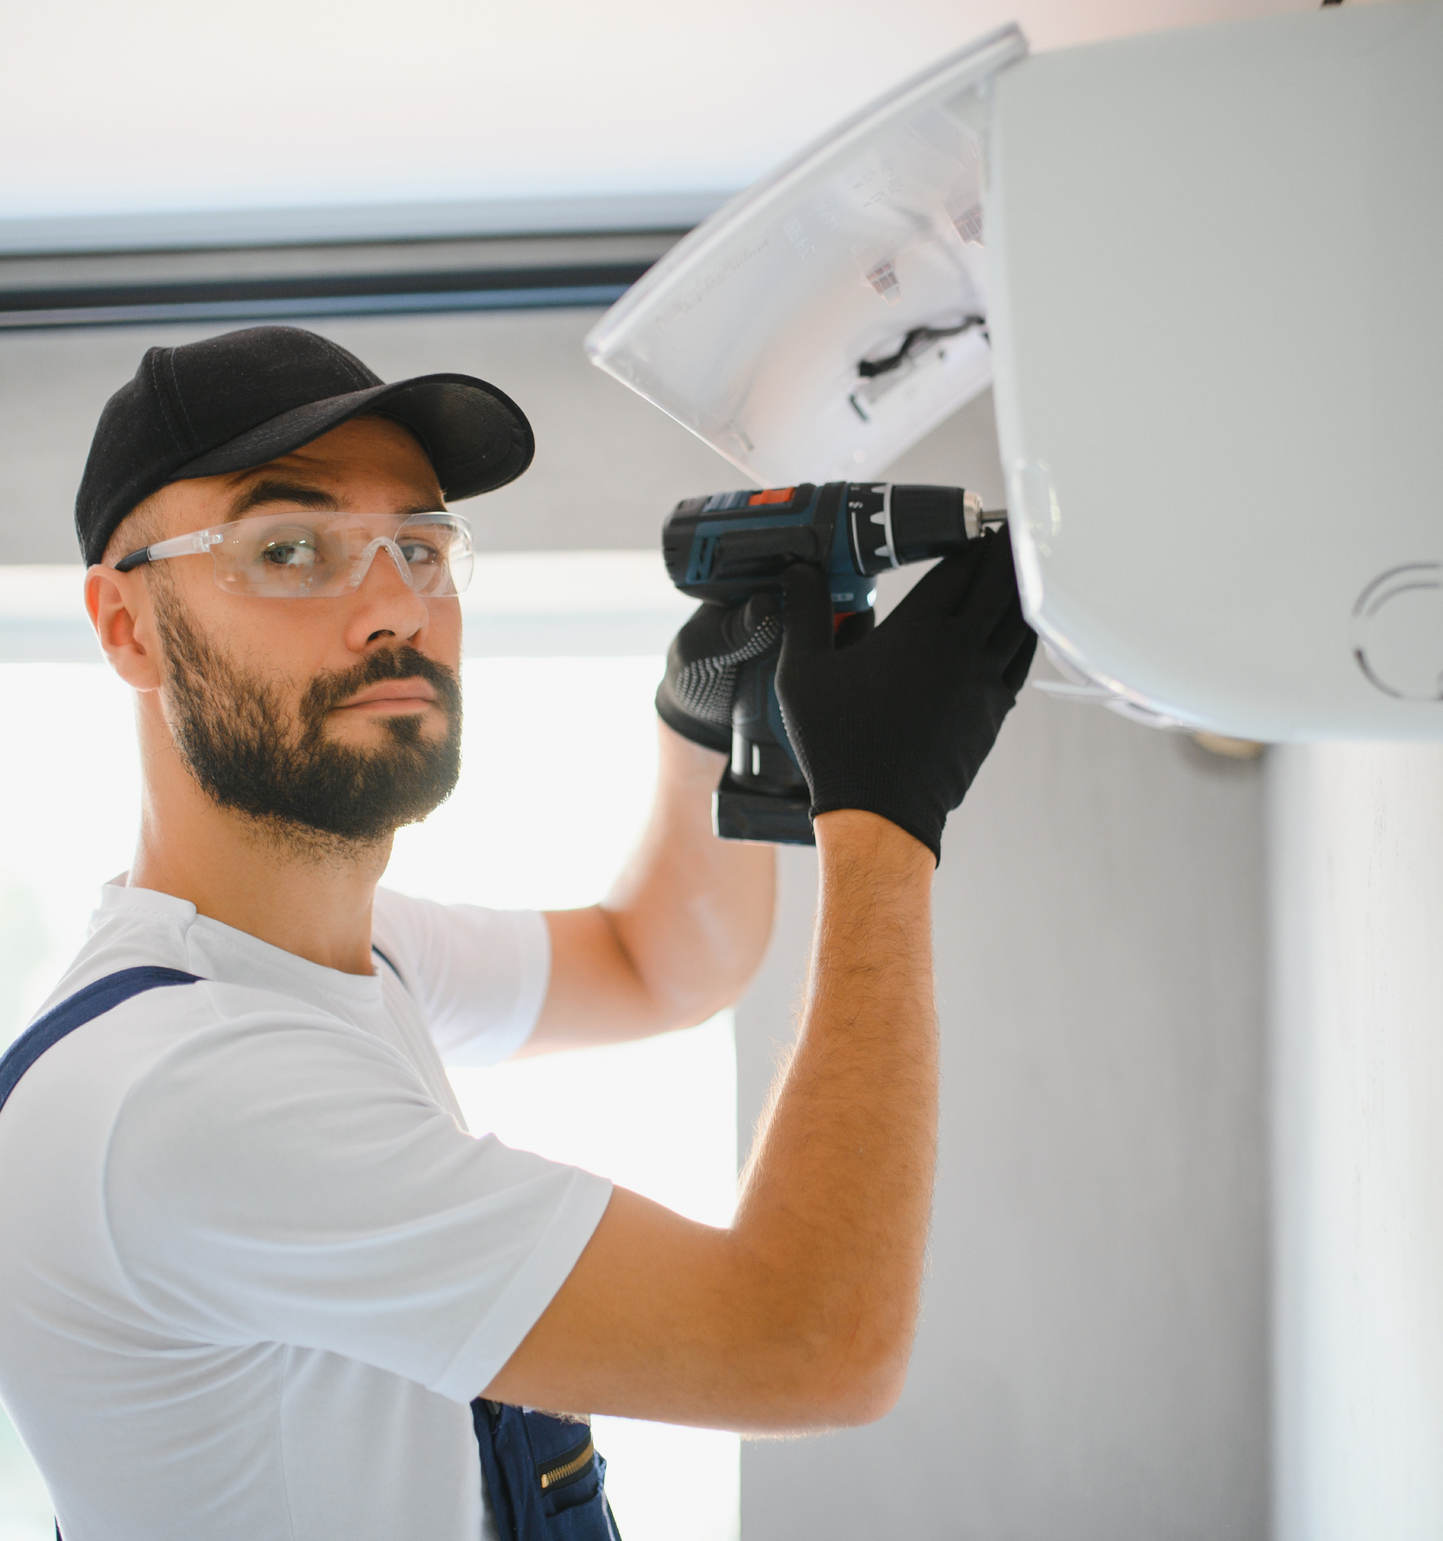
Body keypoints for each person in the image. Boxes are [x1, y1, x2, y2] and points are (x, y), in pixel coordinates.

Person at [0, 325, 1034, 1540]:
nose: (395, 606)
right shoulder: (179, 1093)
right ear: (126, 626)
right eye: (289, 548)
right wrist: (885, 819)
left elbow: (658, 959)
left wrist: (702, 721)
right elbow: (811, 1343)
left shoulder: (335, 957)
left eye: (421, 545)